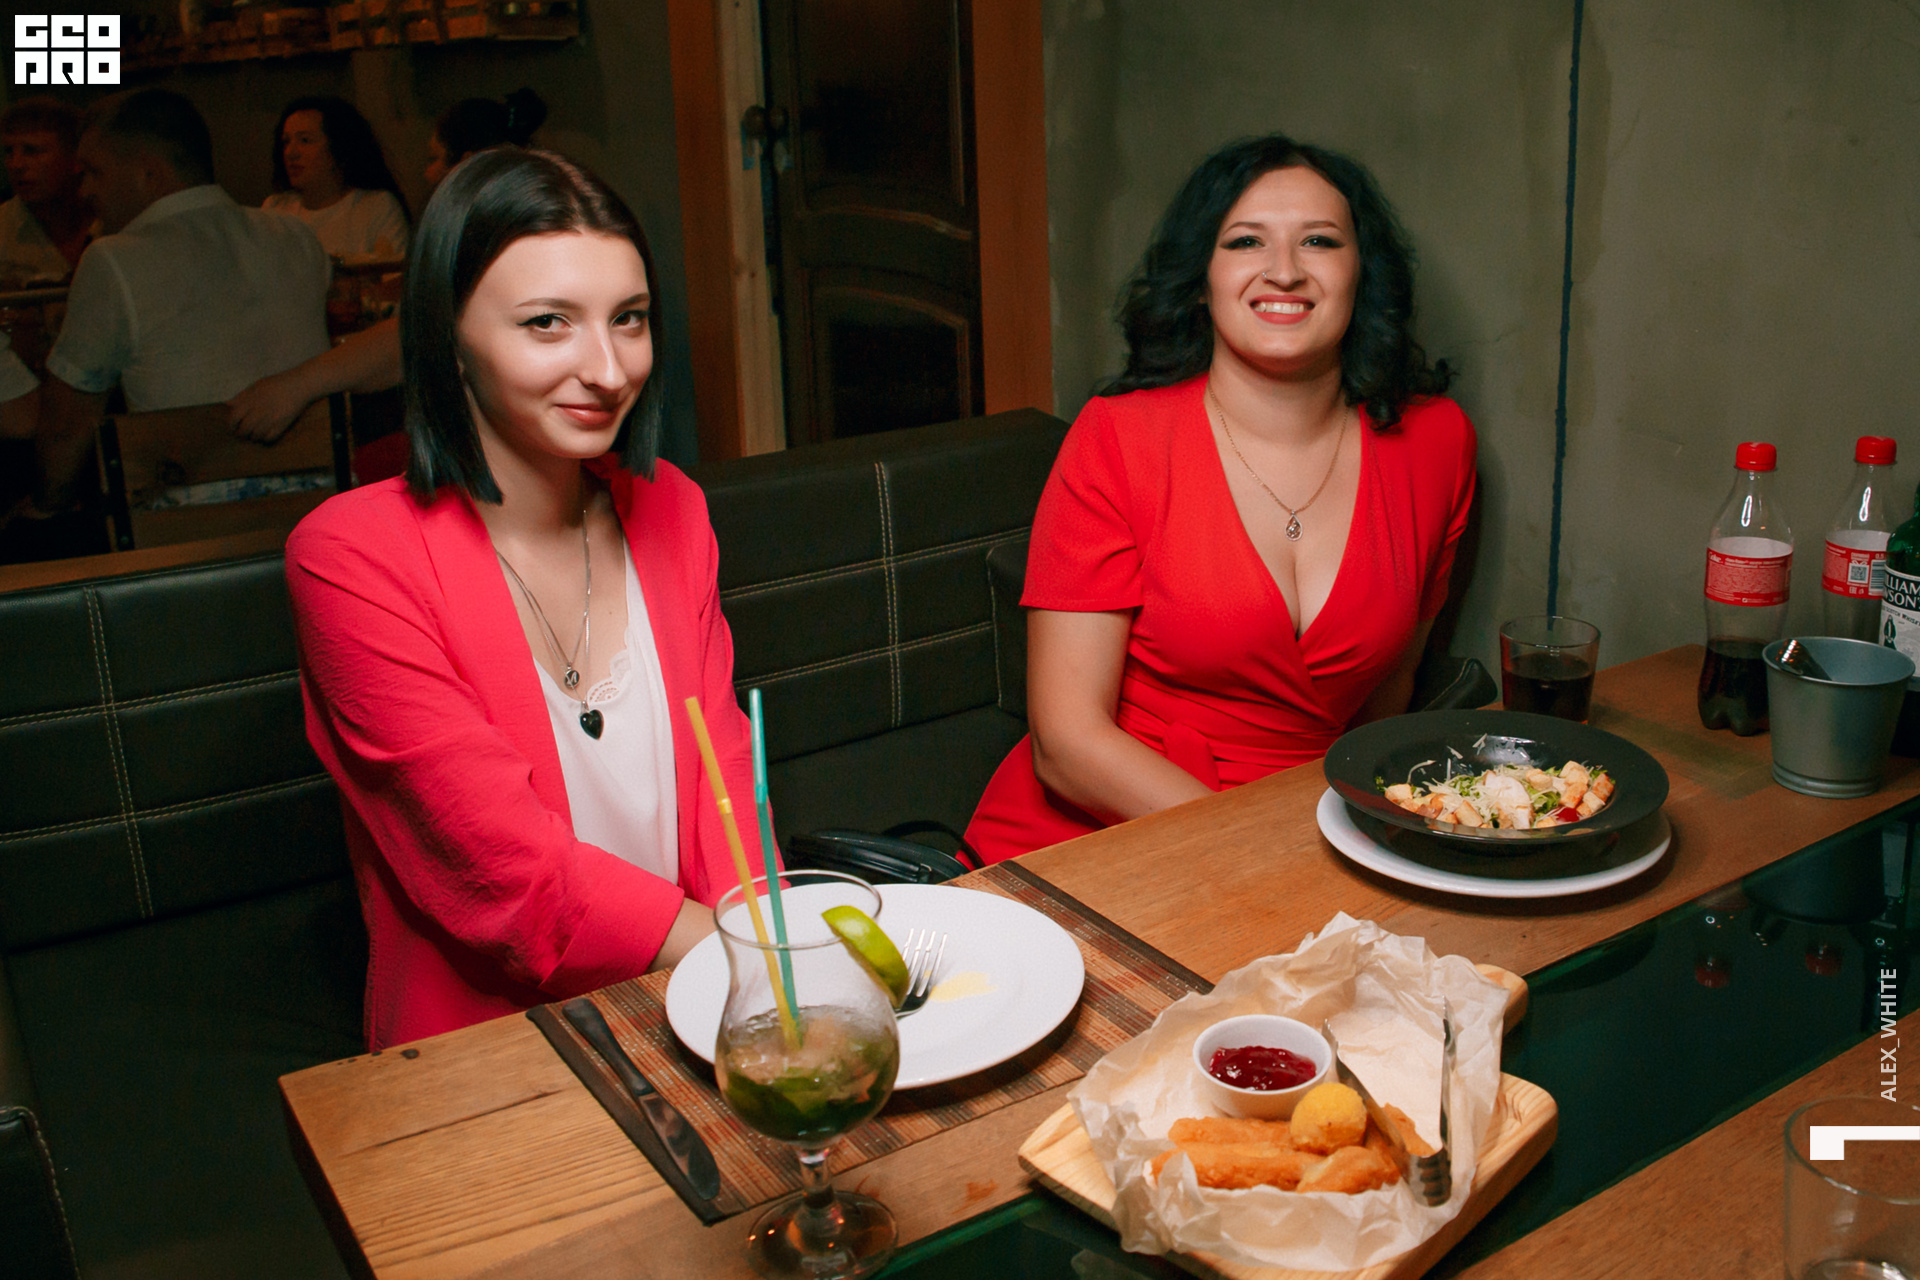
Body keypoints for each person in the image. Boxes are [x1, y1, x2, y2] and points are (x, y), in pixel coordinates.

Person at [286, 148, 759, 1049]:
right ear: (448, 337)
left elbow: (726, 777)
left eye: (629, 319)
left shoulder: (673, 508)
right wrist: (758, 958)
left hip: (703, 1005)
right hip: (496, 1048)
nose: (609, 369)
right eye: (548, 323)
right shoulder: (349, 557)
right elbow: (506, 874)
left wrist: (770, 934)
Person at [964, 134, 1474, 862]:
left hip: (1310, 833)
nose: (1285, 270)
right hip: (1100, 832)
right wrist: (1266, 851)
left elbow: (1389, 693)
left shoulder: (1437, 444)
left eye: (1320, 241)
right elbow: (1067, 743)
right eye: (1244, 241)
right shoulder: (1118, 439)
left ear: (1362, 273)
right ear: (1201, 279)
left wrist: (1339, 841)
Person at [18, 88, 330, 521]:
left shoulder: (113, 259)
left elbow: (67, 425)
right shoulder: (296, 236)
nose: (84, 190)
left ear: (148, 174)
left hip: (188, 524)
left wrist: (43, 508)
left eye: (93, 172)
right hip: (321, 505)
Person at [228, 91, 546, 446]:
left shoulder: (512, 240)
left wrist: (296, 386)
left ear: (468, 166)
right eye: (287, 142)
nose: (427, 175)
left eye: (434, 159)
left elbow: (414, 336)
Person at [264, 96, 409, 261]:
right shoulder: (275, 210)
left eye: (305, 140)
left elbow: (393, 273)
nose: (290, 153)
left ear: (338, 147)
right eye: (286, 142)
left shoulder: (377, 208)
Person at [0, 96, 91, 285]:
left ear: (75, 157)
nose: (16, 164)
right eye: (9, 152)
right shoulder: (4, 227)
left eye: (32, 151)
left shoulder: (113, 218)